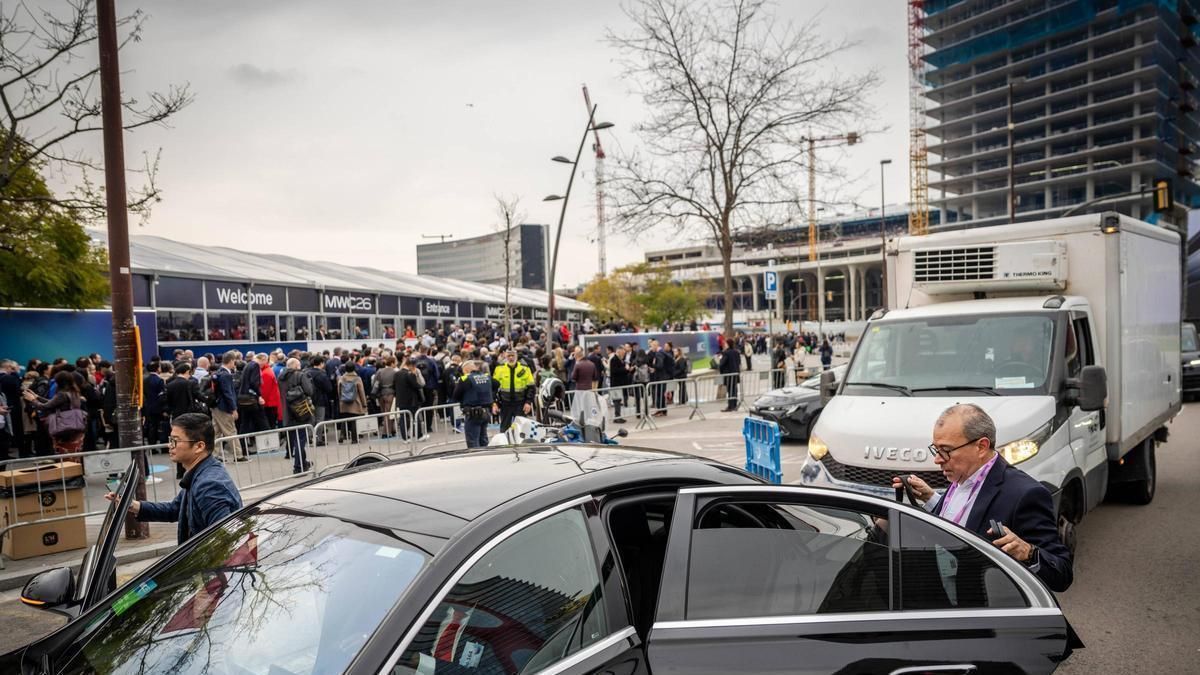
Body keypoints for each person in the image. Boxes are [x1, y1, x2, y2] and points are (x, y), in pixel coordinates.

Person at [891, 403, 1073, 592]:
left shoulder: (1026, 494)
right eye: (936, 449)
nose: (937, 459)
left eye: (946, 450)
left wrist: (1027, 552)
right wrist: (932, 499)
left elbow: (1062, 574)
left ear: (981, 446)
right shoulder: (962, 477)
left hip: (981, 611)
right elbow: (961, 523)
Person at [108, 413, 242, 545]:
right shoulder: (200, 473)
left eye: (175, 441)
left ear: (199, 446)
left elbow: (227, 539)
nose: (169, 445)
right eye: (170, 439)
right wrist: (133, 505)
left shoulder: (209, 485)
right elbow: (175, 509)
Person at [22, 371, 87, 454]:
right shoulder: (73, 392)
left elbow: (45, 407)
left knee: (63, 449)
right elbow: (52, 402)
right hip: (76, 423)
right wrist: (38, 397)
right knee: (74, 448)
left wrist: (33, 400)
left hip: (64, 425)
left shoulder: (62, 394)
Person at [277, 358, 314, 474]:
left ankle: (303, 463)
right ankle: (298, 466)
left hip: (287, 412)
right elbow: (309, 391)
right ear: (296, 366)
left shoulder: (281, 377)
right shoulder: (300, 375)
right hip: (301, 410)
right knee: (301, 440)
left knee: (295, 438)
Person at [211, 351, 245, 462]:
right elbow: (228, 393)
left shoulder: (217, 373)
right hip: (224, 407)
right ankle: (238, 454)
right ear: (231, 361)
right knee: (230, 430)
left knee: (216, 431)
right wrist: (233, 408)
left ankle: (215, 454)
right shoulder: (226, 375)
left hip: (216, 406)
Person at [491, 348, 535, 432]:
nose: (511, 358)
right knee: (504, 430)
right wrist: (494, 403)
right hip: (505, 404)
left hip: (520, 403)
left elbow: (531, 387)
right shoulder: (499, 368)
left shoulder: (525, 368)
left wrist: (528, 402)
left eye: (513, 356)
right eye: (509, 356)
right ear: (505, 356)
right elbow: (494, 388)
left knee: (521, 430)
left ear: (516, 356)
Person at [453, 360, 494, 449]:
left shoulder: (465, 379)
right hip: (486, 411)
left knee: (473, 441)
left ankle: (476, 460)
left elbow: (455, 395)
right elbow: (496, 384)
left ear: (466, 370)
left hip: (473, 413)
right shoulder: (487, 377)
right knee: (483, 438)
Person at [336, 362, 367, 442]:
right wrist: (364, 403)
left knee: (344, 419)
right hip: (355, 403)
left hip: (344, 402)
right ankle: (354, 439)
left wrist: (341, 400)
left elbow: (339, 391)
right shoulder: (357, 378)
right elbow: (361, 392)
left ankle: (342, 435)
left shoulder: (341, 378)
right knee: (354, 421)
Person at [719, 339, 742, 411]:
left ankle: (730, 406)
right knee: (734, 390)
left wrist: (722, 372)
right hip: (735, 374)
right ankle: (734, 405)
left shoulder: (726, 353)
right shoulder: (736, 352)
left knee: (730, 390)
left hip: (728, 374)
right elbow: (739, 363)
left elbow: (721, 364)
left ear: (728, 344)